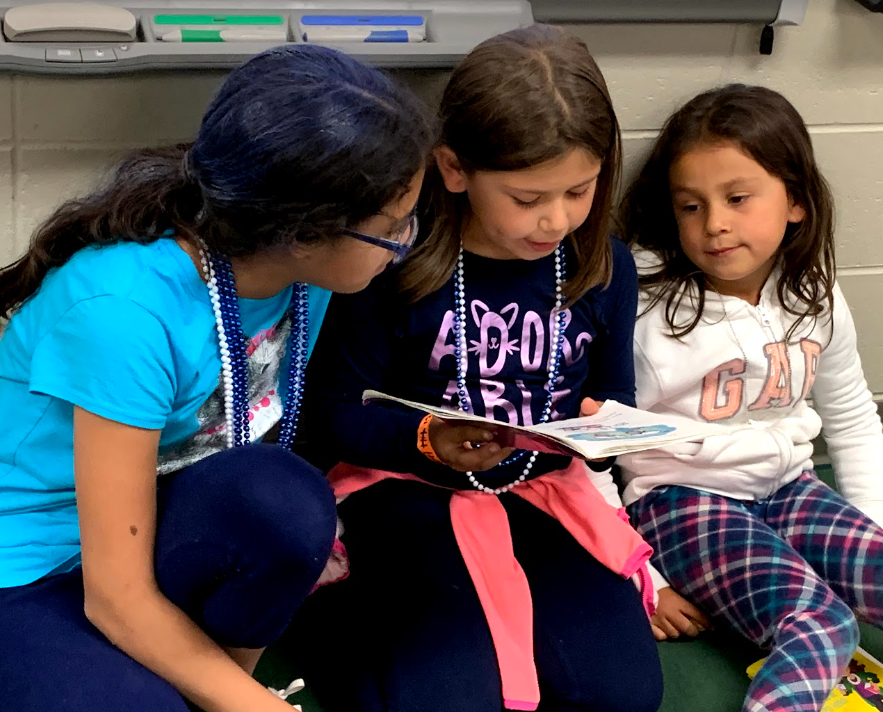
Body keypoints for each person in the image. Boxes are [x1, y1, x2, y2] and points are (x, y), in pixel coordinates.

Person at [0, 44, 431, 712]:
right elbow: (116, 597)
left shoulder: (300, 274)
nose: (405, 243)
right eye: (392, 229)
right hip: (30, 560)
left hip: (154, 520)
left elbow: (260, 502)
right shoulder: (124, 310)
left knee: (285, 501)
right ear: (302, 231)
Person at [297, 24, 663, 712]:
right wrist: (426, 439)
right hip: (408, 493)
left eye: (579, 192)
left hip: (540, 492)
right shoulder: (394, 264)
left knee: (621, 698)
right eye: (527, 199)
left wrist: (603, 429)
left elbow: (611, 392)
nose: (555, 219)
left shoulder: (601, 265)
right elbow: (336, 412)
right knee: (451, 699)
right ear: (454, 169)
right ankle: (327, 605)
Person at [618, 83, 883, 712]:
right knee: (822, 625)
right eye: (691, 206)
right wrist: (640, 577)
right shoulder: (642, 304)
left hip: (789, 489)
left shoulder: (814, 293)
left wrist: (870, 529)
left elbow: (851, 420)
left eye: (738, 198)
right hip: (681, 500)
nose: (714, 224)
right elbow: (592, 452)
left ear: (794, 200)